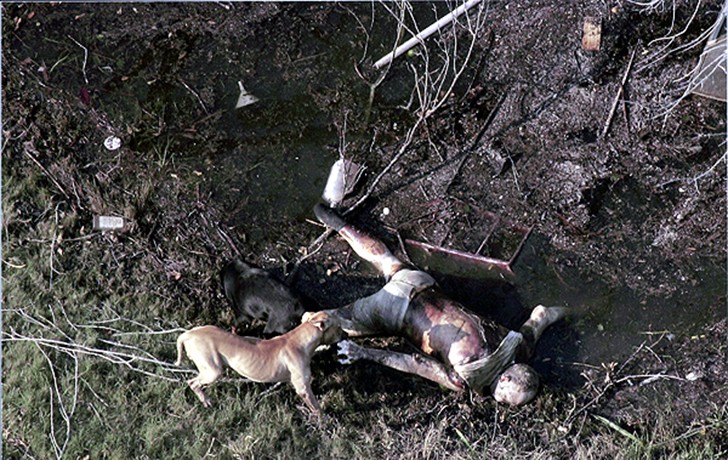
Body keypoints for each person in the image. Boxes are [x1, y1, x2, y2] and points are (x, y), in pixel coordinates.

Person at [313, 204, 566, 406]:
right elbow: (414, 363)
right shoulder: (463, 380)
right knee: (333, 324)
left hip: (422, 285)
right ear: (508, 377)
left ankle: (344, 228)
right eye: (511, 401)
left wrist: (572, 311)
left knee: (388, 261)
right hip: (393, 312)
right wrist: (364, 353)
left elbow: (541, 314)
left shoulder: (519, 346)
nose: (509, 406)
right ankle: (301, 320)